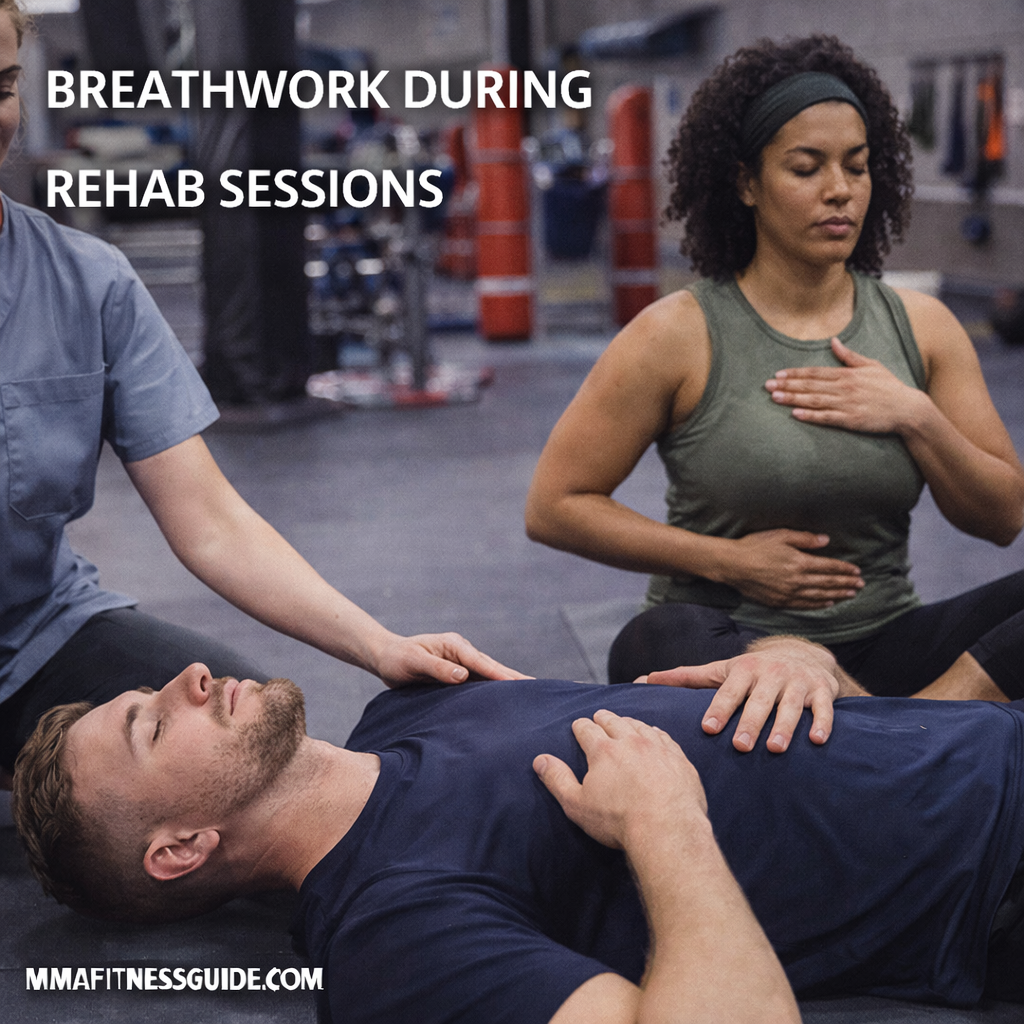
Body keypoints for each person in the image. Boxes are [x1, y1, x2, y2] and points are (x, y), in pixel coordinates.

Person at [0, 1, 518, 785]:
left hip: (33, 639)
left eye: (2, 84)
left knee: (268, 764)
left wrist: (378, 644)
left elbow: (209, 521)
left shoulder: (87, 281)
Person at [12, 636, 1024, 1024]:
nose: (188, 677)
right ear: (180, 846)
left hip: (985, 734)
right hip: (996, 870)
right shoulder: (390, 937)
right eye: (154, 724)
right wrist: (667, 823)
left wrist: (792, 651)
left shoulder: (407, 705)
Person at [524, 35, 1024, 697]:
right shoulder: (676, 333)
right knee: (658, 644)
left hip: (886, 646)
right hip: (736, 639)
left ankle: (905, 719)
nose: (840, 191)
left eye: (857, 165)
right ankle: (900, 741)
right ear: (746, 182)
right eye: (806, 167)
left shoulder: (922, 327)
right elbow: (555, 506)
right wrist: (729, 561)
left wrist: (918, 417)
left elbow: (1003, 518)